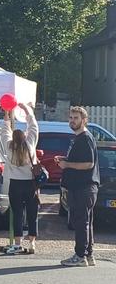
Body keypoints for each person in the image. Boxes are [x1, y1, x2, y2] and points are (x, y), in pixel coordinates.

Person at [57, 106, 100, 267]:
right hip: (81, 187)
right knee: (85, 222)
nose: (72, 120)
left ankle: (80, 255)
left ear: (84, 120)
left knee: (81, 222)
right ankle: (88, 255)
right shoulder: (79, 138)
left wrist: (66, 164)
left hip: (84, 187)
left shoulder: (85, 138)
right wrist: (64, 161)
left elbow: (89, 164)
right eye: (70, 117)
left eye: (76, 118)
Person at [0, 103, 39, 254]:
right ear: (24, 137)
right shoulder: (30, 144)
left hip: (14, 184)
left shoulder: (9, 147)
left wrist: (7, 116)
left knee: (17, 213)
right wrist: (27, 110)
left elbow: (4, 131)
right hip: (30, 184)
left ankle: (17, 242)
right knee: (32, 213)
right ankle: (32, 243)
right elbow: (33, 126)